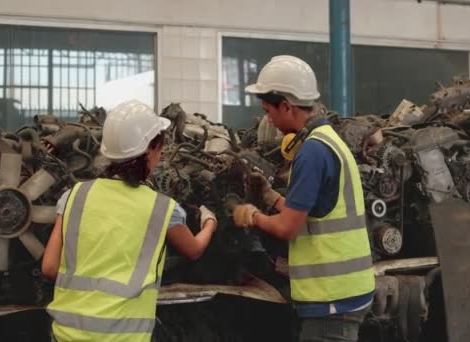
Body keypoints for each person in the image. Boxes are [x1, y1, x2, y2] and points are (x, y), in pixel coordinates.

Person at [41, 99, 218, 342]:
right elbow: (194, 249)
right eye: (159, 147)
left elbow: (50, 268)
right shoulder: (163, 208)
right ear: (149, 151)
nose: (162, 153)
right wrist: (210, 222)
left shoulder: (74, 196)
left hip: (67, 334)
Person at [233, 55, 375, 342]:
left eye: (268, 111)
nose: (268, 120)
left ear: (286, 105)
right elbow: (314, 214)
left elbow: (288, 228)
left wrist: (251, 215)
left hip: (331, 297)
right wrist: (272, 198)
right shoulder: (328, 140)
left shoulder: (311, 152)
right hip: (347, 289)